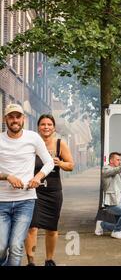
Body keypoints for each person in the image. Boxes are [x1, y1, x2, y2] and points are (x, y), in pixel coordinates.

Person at [0, 104, 54, 266]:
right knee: (1, 247)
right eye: (11, 117)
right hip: (1, 202)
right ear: (5, 120)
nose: (15, 120)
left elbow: (49, 162)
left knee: (16, 247)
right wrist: (7, 176)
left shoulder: (33, 138)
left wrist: (38, 177)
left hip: (26, 201)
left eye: (18, 116)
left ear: (24, 119)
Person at [25, 114, 75, 266]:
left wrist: (60, 163)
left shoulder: (60, 144)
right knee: (32, 227)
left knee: (51, 228)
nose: (46, 127)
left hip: (53, 191)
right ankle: (31, 261)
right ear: (38, 127)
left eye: (49, 124)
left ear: (54, 128)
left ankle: (49, 260)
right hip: (33, 190)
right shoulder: (32, 144)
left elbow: (71, 165)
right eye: (42, 124)